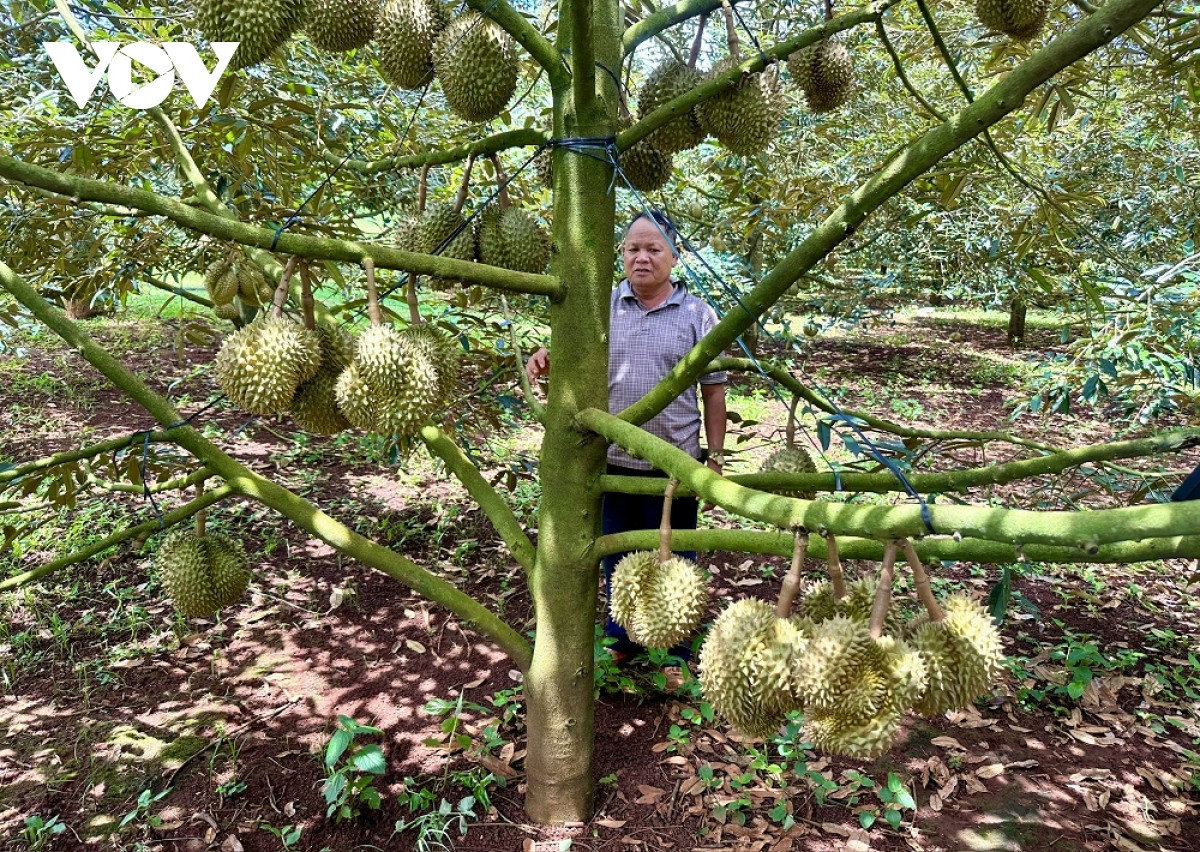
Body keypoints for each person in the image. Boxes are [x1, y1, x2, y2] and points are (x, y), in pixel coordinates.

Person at [526, 210, 728, 662]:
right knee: (617, 555)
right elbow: (571, 357)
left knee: (675, 559)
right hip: (609, 458)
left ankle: (673, 650)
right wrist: (545, 356)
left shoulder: (699, 315)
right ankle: (622, 643)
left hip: (675, 462)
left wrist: (714, 457)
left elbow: (714, 393)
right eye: (632, 249)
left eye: (653, 249)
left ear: (675, 257)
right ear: (621, 254)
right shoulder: (600, 307)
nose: (642, 258)